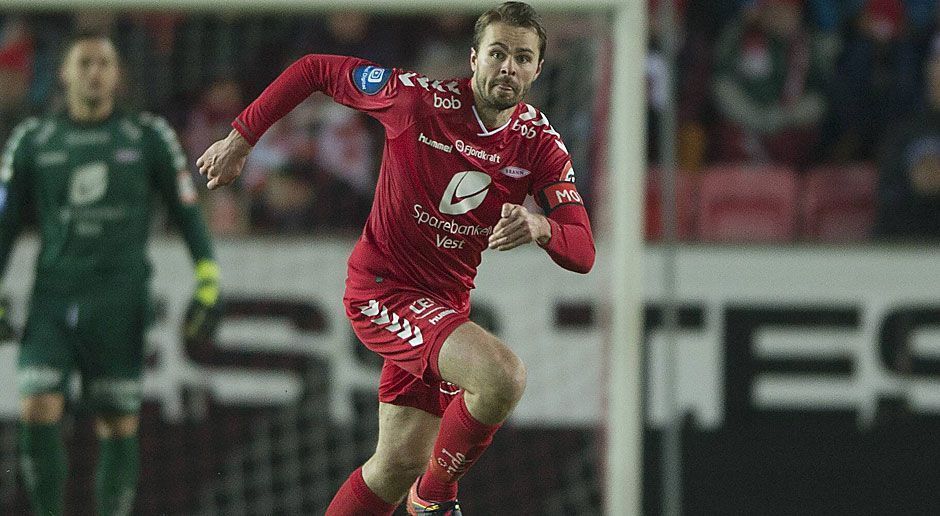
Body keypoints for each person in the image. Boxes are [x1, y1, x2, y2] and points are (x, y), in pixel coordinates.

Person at [198, 2, 594, 514]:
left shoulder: (539, 144)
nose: (507, 68)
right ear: (473, 58)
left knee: (396, 463)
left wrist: (542, 225)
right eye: (497, 53)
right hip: (382, 290)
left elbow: (582, 251)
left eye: (522, 57)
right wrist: (241, 137)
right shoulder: (414, 99)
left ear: (538, 68)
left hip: (444, 306)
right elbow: (315, 69)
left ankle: (423, 488)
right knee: (502, 377)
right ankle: (435, 498)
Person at [0, 32, 221, 515]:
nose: (94, 72)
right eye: (84, 63)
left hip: (120, 301)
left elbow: (188, 215)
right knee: (37, 407)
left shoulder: (147, 137)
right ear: (64, 73)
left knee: (117, 423)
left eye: (104, 63)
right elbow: (5, 224)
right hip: (53, 298)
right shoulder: (34, 140)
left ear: (117, 75)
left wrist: (208, 282)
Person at [874, 33, 940, 239]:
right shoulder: (904, 133)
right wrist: (915, 187)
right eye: (936, 64)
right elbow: (886, 201)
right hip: (906, 251)